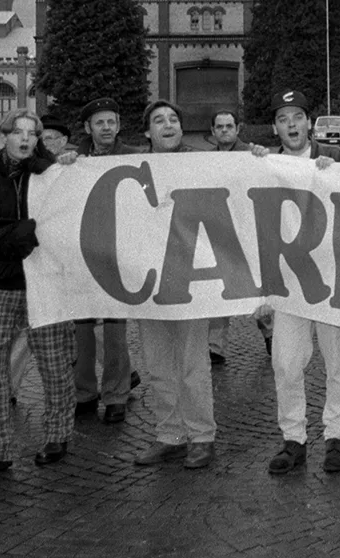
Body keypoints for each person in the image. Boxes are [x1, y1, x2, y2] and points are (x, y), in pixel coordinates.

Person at [0, 110, 77, 480]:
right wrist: (23, 234)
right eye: (17, 132)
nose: (24, 139)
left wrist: (64, 166)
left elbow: (69, 227)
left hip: (47, 285)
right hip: (2, 286)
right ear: (2, 136)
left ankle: (57, 435)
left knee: (54, 365)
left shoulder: (55, 177)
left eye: (32, 133)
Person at [250, 89, 340, 476]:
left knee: (338, 362)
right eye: (283, 119)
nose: (291, 125)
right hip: (288, 281)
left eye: (297, 117)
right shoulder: (265, 163)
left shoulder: (336, 158)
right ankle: (293, 438)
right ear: (275, 126)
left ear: (309, 122)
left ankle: (335, 437)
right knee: (285, 362)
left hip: (333, 279)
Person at [130, 100, 218, 471]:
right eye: (158, 120)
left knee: (193, 362)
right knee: (158, 363)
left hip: (189, 280)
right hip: (149, 281)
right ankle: (169, 434)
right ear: (147, 131)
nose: (167, 125)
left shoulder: (203, 163)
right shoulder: (130, 167)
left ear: (182, 129)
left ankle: (201, 436)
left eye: (173, 120)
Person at [72, 97, 136, 425]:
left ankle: (116, 395)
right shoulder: (73, 159)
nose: (107, 128)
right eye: (100, 123)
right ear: (88, 128)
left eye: (112, 122)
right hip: (83, 254)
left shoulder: (132, 157)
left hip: (117, 255)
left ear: (119, 126)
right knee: (81, 329)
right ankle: (84, 392)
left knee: (114, 332)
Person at [206, 108, 254, 365]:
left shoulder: (251, 154)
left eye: (229, 126)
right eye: (220, 127)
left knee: (255, 286)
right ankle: (216, 346)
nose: (224, 130)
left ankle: (269, 333)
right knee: (219, 290)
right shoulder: (206, 160)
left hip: (248, 230)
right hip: (220, 231)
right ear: (213, 132)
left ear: (238, 128)